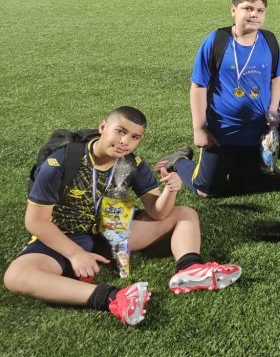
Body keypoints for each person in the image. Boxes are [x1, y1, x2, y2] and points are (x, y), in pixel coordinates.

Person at [3, 107, 241, 326]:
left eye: (135, 137)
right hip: (67, 235)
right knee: (17, 276)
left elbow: (157, 212)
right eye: (120, 131)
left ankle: (190, 269)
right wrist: (75, 254)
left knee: (185, 214)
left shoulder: (132, 163)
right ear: (103, 127)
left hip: (113, 229)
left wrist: (171, 190)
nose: (125, 141)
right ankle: (115, 297)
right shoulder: (61, 162)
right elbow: (35, 221)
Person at [177, 0, 280, 197]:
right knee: (206, 190)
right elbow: (199, 86)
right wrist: (199, 129)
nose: (254, 14)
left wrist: (273, 110)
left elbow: (277, 77)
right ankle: (180, 161)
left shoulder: (269, 40)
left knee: (247, 184)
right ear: (233, 10)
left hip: (255, 132)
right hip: (221, 132)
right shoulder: (217, 40)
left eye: (260, 10)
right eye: (248, 8)